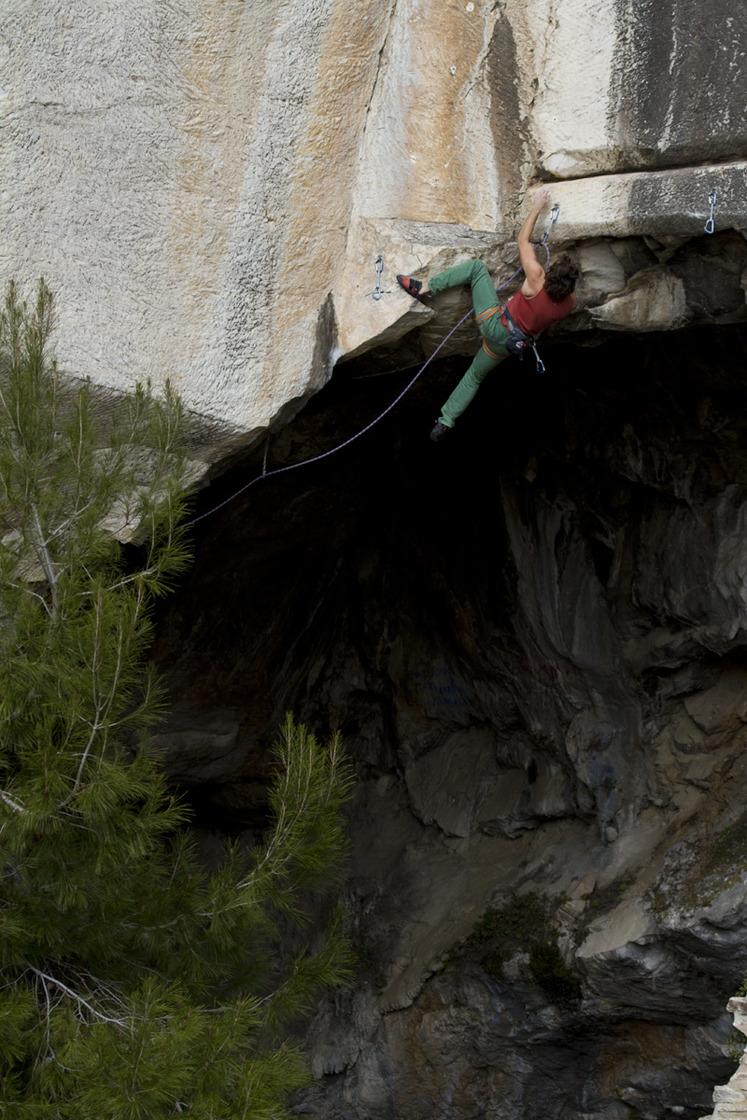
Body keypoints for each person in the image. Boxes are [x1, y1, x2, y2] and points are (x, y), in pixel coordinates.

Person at [396, 188, 579, 441]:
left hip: (494, 323)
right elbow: (565, 299)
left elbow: (523, 241)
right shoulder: (569, 304)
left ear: (551, 275)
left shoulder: (537, 279)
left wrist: (537, 207)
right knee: (474, 375)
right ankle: (445, 420)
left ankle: (424, 287)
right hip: (509, 345)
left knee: (477, 268)